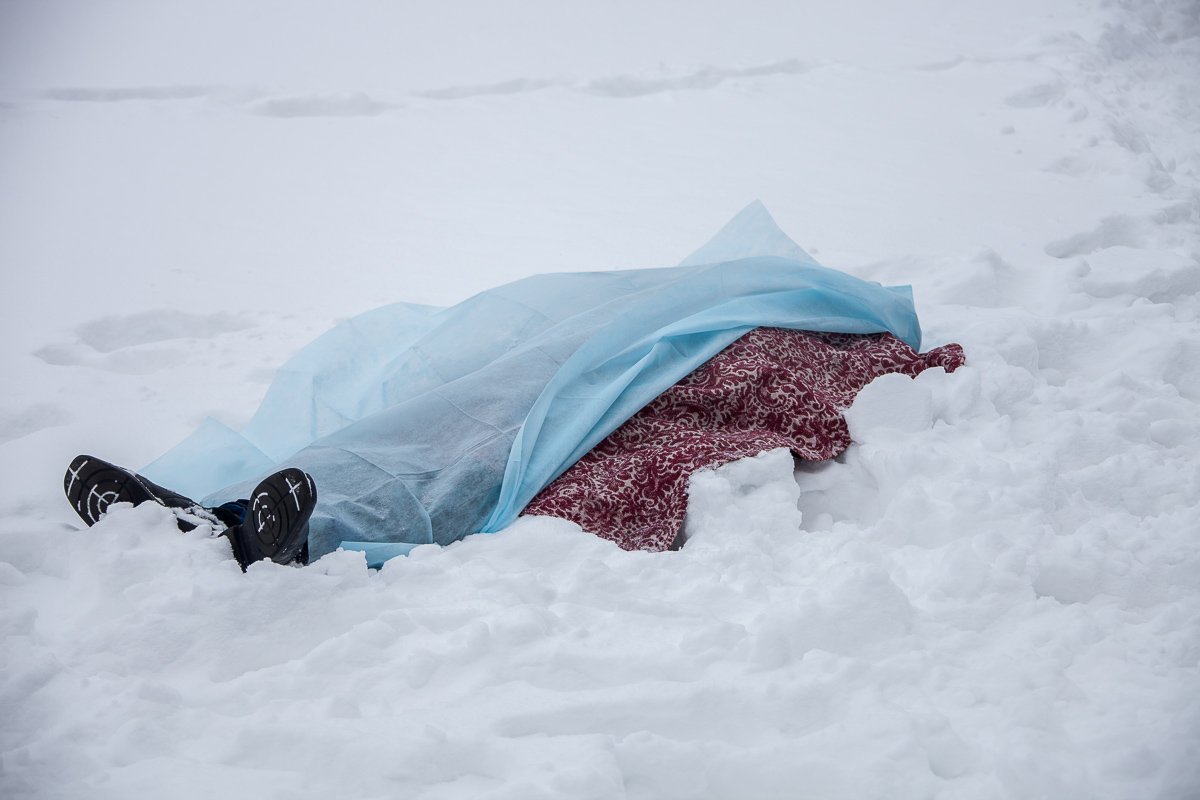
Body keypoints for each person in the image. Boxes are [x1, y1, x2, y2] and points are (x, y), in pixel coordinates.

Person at [61, 206, 964, 569]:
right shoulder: (716, 305)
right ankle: (205, 513)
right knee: (411, 428)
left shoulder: (818, 335)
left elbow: (808, 395)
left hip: (585, 418)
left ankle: (290, 537)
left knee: (472, 471)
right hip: (562, 383)